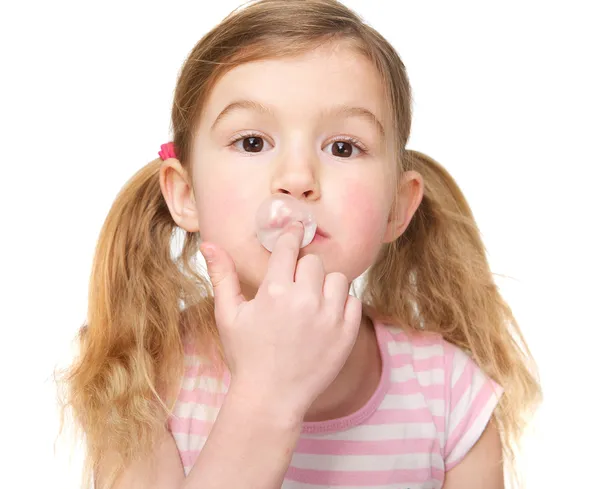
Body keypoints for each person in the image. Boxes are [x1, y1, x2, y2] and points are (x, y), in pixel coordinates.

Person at [58, 1, 541, 488]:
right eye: (251, 142)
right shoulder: (144, 377)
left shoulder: (452, 396)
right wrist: (267, 395)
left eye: (343, 147)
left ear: (397, 206)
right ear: (185, 195)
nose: (297, 179)